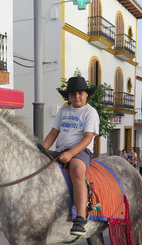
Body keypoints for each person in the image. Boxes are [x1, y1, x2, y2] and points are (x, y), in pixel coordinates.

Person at [43, 76, 99, 236]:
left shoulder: (90, 112)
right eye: (72, 94)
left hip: (81, 151)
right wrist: (42, 149)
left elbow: (88, 137)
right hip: (61, 149)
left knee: (76, 170)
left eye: (80, 93)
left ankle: (80, 219)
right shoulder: (64, 110)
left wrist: (71, 153)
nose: (77, 97)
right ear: (68, 96)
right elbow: (54, 133)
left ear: (86, 94)